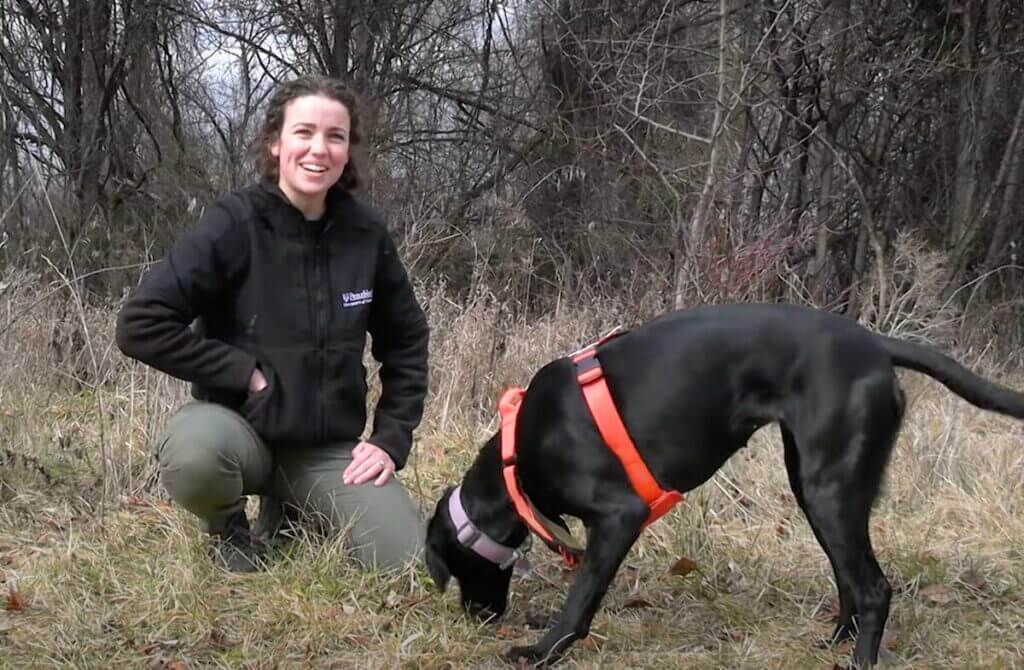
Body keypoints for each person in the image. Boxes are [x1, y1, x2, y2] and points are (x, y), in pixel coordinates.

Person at [116, 75, 429, 573]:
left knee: (407, 564)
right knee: (193, 455)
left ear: (348, 151)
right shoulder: (234, 224)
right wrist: (243, 372)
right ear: (275, 142)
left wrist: (391, 438)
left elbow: (407, 338)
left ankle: (293, 514)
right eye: (304, 132)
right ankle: (229, 530)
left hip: (326, 450)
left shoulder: (366, 233)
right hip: (241, 433)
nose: (318, 150)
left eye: (335, 136)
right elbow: (139, 324)